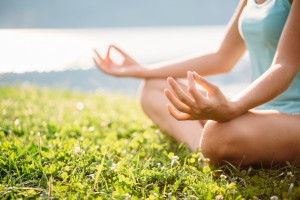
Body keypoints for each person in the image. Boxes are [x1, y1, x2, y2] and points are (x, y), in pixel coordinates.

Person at [93, 0, 300, 166]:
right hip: (261, 112)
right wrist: (144, 70)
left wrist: (233, 108)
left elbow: (284, 66)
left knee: (218, 135)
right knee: (153, 87)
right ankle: (204, 153)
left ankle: (210, 146)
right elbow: (222, 57)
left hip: (295, 117)